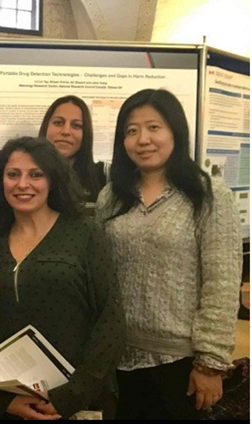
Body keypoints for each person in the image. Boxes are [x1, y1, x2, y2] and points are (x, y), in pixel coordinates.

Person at [95, 89, 242, 420]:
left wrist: (210, 363)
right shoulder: (112, 196)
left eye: (154, 127)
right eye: (131, 131)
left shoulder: (207, 195)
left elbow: (221, 282)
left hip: (183, 364)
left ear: (175, 131)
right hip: (118, 359)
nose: (142, 139)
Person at [0, 136, 125, 420]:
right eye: (13, 174)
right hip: (11, 404)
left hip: (78, 403)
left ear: (52, 181)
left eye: (35, 174)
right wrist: (1, 398)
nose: (23, 184)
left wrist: (68, 397)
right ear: (1, 182)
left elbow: (111, 323)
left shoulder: (85, 234)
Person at [39, 95, 108, 203]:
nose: (66, 131)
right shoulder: (26, 177)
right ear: (45, 127)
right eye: (58, 122)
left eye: (76, 125)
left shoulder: (103, 177)